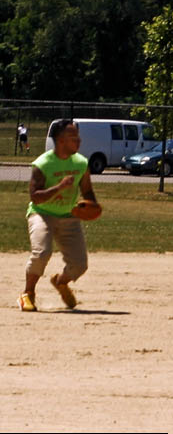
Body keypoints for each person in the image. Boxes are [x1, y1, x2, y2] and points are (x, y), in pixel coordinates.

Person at [17, 119, 99, 312]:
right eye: (73, 138)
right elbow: (35, 197)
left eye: (77, 137)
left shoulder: (81, 163)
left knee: (80, 265)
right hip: (41, 213)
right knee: (42, 253)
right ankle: (27, 294)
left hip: (69, 216)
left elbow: (87, 191)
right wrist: (60, 187)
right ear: (60, 140)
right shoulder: (43, 164)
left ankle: (61, 282)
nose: (78, 141)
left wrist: (92, 205)